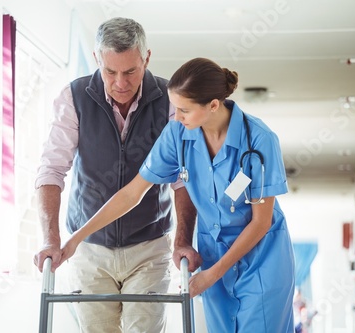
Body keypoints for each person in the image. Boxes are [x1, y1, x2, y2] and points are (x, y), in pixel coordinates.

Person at [59, 57, 296, 332]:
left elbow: (260, 222)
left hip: (261, 257)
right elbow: (132, 193)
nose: (177, 117)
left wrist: (211, 275)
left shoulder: (259, 140)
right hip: (214, 251)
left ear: (213, 106)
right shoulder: (177, 135)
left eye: (183, 110)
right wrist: (76, 238)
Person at [33, 17, 198, 333]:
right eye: (110, 72)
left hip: (149, 246)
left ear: (146, 58)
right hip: (89, 249)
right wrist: (51, 239)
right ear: (97, 59)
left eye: (130, 71)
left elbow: (182, 179)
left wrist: (182, 241)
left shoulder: (169, 102)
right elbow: (51, 171)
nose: (120, 82)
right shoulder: (74, 98)